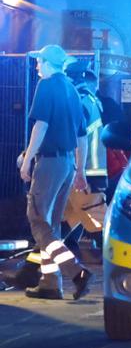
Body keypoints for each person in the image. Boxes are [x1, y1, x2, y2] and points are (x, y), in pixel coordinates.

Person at [19, 45, 92, 300]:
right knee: (52, 226)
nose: (37, 65)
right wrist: (80, 170)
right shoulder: (72, 90)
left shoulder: (47, 86)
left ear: (48, 63)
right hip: (68, 165)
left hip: (49, 163)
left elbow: (41, 125)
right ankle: (50, 283)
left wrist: (27, 160)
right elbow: (82, 135)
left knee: (38, 220)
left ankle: (76, 273)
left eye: (39, 61)